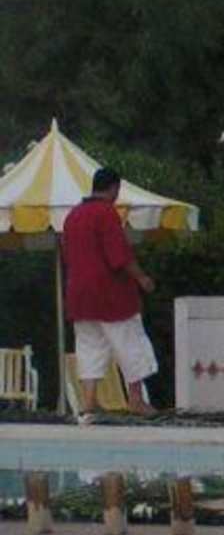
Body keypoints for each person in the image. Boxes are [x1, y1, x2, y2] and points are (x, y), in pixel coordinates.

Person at [60, 167, 157, 420]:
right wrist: (141, 278)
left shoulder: (72, 216)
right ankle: (136, 399)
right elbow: (118, 255)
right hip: (110, 294)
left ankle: (88, 403)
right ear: (114, 188)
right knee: (130, 343)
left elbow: (68, 255)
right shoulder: (105, 213)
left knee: (89, 346)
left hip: (79, 294)